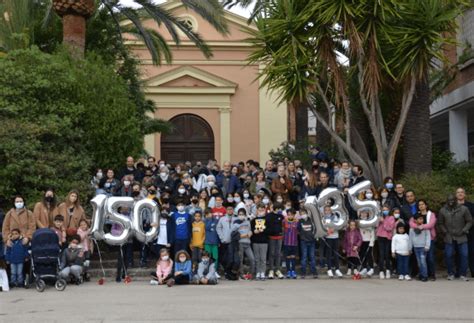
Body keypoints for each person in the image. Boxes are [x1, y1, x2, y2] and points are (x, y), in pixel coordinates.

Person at [438, 194, 472, 281]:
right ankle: (450, 273)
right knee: (448, 255)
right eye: (449, 201)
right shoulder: (442, 210)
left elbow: (469, 221)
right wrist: (445, 231)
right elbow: (440, 223)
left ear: (456, 200)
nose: (451, 202)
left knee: (464, 255)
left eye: (452, 201)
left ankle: (463, 274)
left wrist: (464, 230)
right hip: (449, 236)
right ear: (446, 201)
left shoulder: (464, 209)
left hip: (462, 236)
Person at [409, 200, 437, 280]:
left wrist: (421, 226)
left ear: (426, 205)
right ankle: (423, 274)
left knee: (430, 258)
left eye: (422, 204)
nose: (421, 206)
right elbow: (411, 223)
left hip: (430, 238)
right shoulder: (416, 214)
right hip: (419, 241)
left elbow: (431, 225)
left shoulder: (431, 214)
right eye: (419, 205)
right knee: (421, 260)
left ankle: (432, 274)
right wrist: (417, 227)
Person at [455, 188, 474, 278]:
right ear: (456, 195)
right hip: (456, 234)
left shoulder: (471, 206)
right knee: (458, 253)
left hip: (470, 233)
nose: (460, 194)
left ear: (465, 194)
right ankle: (459, 272)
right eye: (458, 192)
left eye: (462, 192)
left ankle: (473, 271)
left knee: (471, 253)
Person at [232, 208, 255, 280]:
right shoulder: (235, 223)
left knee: (252, 259)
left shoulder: (248, 222)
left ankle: (251, 274)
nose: (241, 215)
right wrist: (243, 235)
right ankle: (241, 275)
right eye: (240, 214)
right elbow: (234, 234)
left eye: (242, 214)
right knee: (240, 260)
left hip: (248, 243)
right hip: (240, 243)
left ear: (245, 215)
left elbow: (250, 230)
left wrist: (251, 233)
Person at [322, 205, 343, 278]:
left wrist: (333, 229)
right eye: (326, 210)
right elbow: (323, 228)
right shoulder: (323, 218)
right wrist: (326, 232)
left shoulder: (335, 217)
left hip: (335, 237)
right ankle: (329, 269)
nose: (327, 211)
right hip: (328, 238)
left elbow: (338, 225)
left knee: (336, 253)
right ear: (324, 211)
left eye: (328, 210)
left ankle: (337, 269)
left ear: (331, 210)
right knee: (329, 254)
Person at [376, 205, 395, 279]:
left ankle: (387, 270)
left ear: (389, 210)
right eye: (383, 210)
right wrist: (378, 221)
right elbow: (376, 226)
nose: (385, 211)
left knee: (387, 255)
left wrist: (383, 221)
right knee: (381, 255)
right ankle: (381, 271)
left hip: (387, 238)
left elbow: (389, 228)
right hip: (380, 237)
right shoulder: (379, 217)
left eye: (386, 210)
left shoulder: (391, 218)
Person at [409, 214, 431, 282]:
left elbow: (428, 237)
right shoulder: (412, 229)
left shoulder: (425, 228)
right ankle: (421, 275)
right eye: (419, 219)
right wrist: (410, 248)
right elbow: (410, 239)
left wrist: (427, 246)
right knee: (419, 263)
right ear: (415, 220)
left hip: (423, 248)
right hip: (416, 247)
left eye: (422, 219)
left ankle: (425, 276)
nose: (421, 220)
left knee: (423, 262)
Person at [266, 203, 285, 279]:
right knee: (272, 253)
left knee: (278, 253)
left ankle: (277, 270)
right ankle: (271, 270)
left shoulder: (281, 216)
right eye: (278, 208)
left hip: (279, 237)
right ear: (275, 208)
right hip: (271, 237)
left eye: (280, 209)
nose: (280, 210)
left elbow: (283, 225)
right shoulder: (269, 216)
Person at [298, 208, 318, 279]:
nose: (303, 215)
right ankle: (303, 272)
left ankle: (314, 272)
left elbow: (315, 229)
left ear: (306, 213)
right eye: (301, 214)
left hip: (311, 241)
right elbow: (298, 230)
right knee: (304, 257)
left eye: (304, 213)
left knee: (312, 257)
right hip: (303, 241)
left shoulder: (311, 220)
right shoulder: (300, 221)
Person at [251, 203, 269, 281]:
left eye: (262, 210)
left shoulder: (267, 219)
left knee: (263, 259)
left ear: (264, 210)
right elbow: (251, 229)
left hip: (264, 241)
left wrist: (264, 230)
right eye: (259, 210)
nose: (260, 211)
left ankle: (263, 272)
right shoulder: (253, 220)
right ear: (257, 210)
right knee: (257, 258)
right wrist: (254, 231)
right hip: (255, 241)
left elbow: (270, 230)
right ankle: (258, 272)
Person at [216, 203, 235, 275]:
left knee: (231, 258)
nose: (230, 211)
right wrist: (222, 238)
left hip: (232, 242)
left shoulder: (236, 218)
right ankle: (225, 271)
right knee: (224, 258)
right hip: (224, 241)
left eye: (231, 209)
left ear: (233, 210)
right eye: (228, 209)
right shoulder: (222, 219)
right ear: (226, 210)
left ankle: (228, 272)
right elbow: (218, 228)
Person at [283, 209, 299, 279]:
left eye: (291, 214)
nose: (290, 216)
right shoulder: (284, 221)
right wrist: (285, 219)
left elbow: (299, 230)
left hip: (294, 243)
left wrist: (297, 221)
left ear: (294, 215)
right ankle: (288, 271)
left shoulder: (297, 222)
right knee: (287, 258)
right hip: (287, 242)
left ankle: (293, 271)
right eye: (288, 214)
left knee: (293, 258)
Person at [358, 211, 375, 277]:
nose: (363, 214)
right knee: (362, 255)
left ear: (367, 214)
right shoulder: (358, 222)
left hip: (368, 241)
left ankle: (371, 269)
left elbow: (372, 232)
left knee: (369, 255)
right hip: (361, 241)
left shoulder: (370, 221)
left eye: (365, 213)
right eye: (362, 213)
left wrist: (371, 242)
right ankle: (364, 268)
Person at [204, 208, 219, 273]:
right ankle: (207, 270)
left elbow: (218, 231)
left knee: (215, 257)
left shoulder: (216, 220)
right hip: (207, 242)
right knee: (207, 257)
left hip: (215, 242)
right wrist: (209, 219)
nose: (209, 214)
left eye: (210, 213)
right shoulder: (204, 221)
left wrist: (218, 241)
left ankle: (214, 271)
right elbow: (207, 227)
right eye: (207, 214)